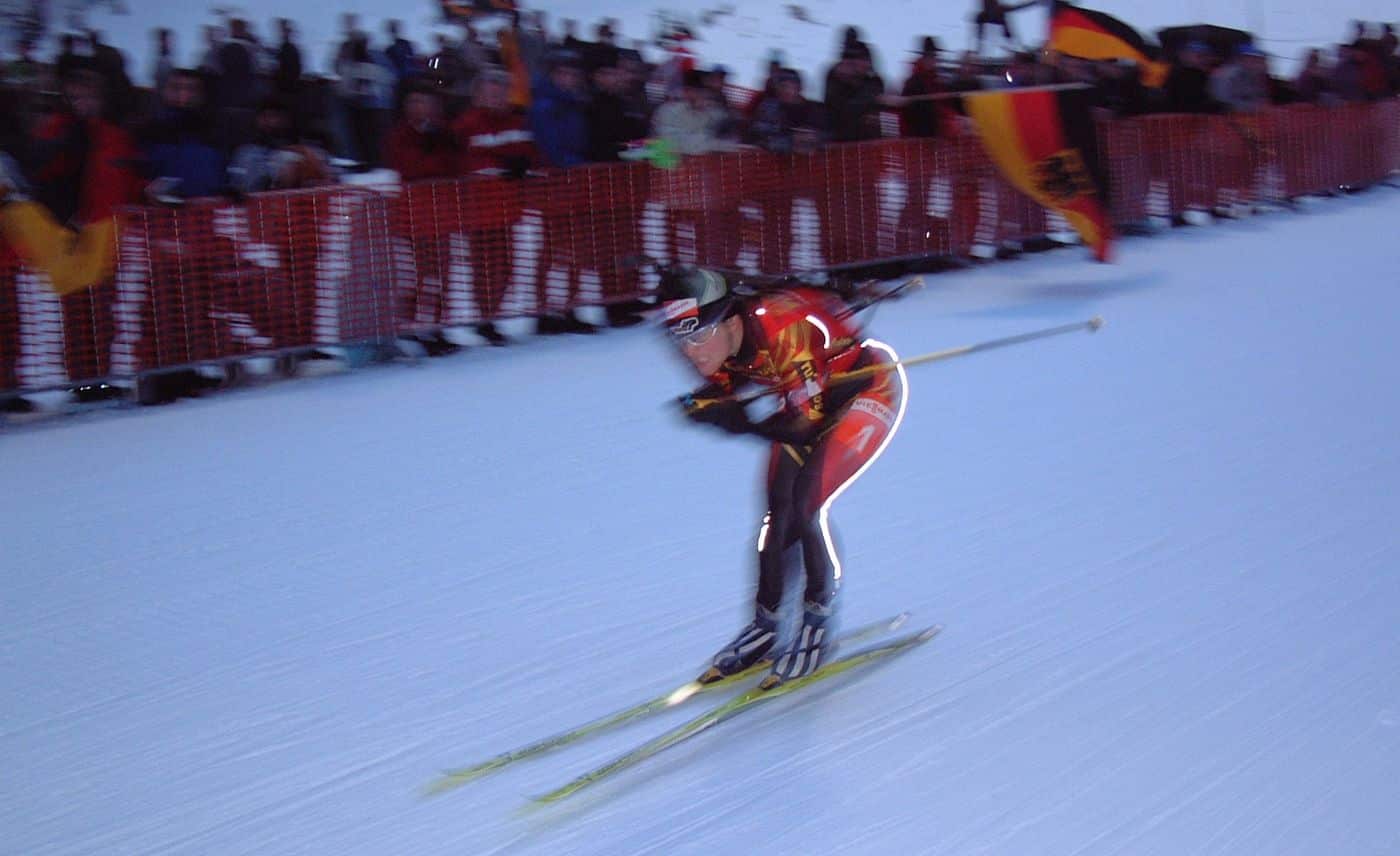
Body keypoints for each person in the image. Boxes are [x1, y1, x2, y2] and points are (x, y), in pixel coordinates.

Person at [660, 266, 908, 688]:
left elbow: (805, 429)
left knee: (808, 504)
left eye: (699, 335)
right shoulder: (717, 342)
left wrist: (737, 423)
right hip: (807, 400)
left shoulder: (784, 330)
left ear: (732, 322)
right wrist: (711, 406)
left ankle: (816, 622)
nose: (692, 351)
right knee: (777, 515)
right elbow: (727, 391)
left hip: (865, 390)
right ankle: (767, 624)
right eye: (680, 340)